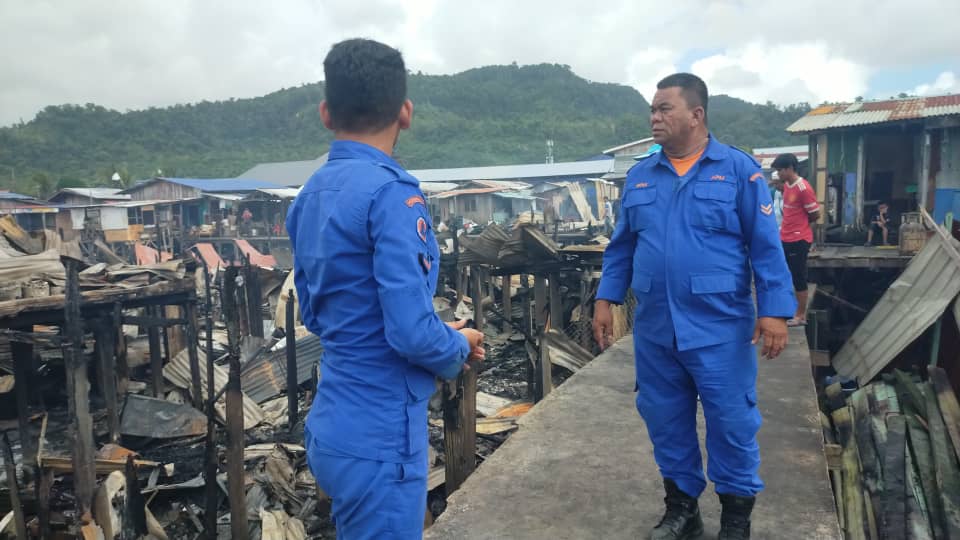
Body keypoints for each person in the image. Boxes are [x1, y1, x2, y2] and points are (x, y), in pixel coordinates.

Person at [286, 38, 485, 539]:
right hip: (380, 434)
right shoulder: (393, 194)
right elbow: (410, 334)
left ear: (326, 113)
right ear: (405, 113)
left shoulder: (308, 196)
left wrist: (437, 334)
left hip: (332, 423)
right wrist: (457, 344)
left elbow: (316, 314)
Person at [592, 73, 796, 540]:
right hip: (656, 327)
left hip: (721, 326)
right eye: (653, 109)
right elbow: (622, 246)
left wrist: (774, 311)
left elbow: (765, 246)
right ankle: (683, 511)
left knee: (732, 421)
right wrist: (606, 297)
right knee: (665, 418)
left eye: (664, 108)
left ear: (696, 114)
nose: (654, 117)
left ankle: (735, 521)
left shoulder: (738, 170)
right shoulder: (641, 175)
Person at [772, 153, 820, 327]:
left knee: (798, 276)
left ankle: (800, 315)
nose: (779, 174)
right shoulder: (786, 186)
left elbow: (815, 214)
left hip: (799, 238)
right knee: (784, 273)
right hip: (785, 236)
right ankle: (788, 308)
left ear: (790, 168)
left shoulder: (803, 188)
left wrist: (801, 226)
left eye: (780, 170)